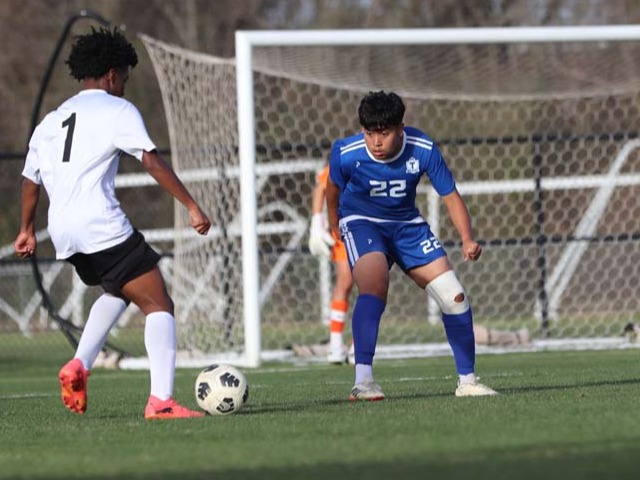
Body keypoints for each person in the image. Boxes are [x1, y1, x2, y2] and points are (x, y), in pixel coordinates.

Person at [13, 27, 211, 419]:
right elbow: (151, 160)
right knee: (159, 303)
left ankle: (79, 365)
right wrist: (192, 205)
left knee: (120, 289)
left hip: (63, 233)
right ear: (110, 75)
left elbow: (29, 181)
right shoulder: (118, 110)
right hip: (99, 225)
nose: (123, 86)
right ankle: (161, 402)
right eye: (124, 78)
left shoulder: (51, 120)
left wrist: (26, 230)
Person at [326, 90, 498, 400]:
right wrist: (332, 222)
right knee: (375, 284)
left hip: (407, 226)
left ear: (401, 128)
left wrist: (467, 237)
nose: (376, 142)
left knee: (455, 297)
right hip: (361, 221)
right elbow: (332, 189)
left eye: (384, 133)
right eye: (369, 133)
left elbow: (450, 195)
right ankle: (363, 382)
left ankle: (468, 381)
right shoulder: (346, 152)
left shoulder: (423, 149)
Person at [308, 164, 354, 364]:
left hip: (374, 226)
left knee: (371, 285)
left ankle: (360, 345)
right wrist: (316, 222)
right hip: (345, 229)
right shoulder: (347, 155)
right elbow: (321, 187)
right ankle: (335, 344)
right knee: (345, 282)